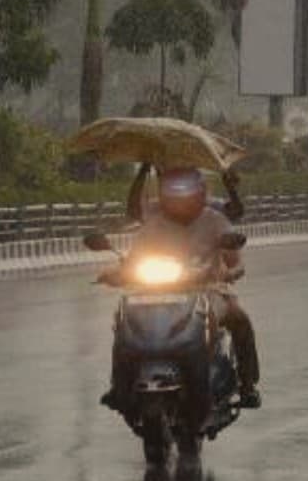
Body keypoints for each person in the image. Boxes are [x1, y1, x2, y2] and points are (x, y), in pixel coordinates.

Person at [102, 166, 262, 410]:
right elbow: (134, 256)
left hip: (208, 288)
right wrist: (117, 273)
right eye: (172, 191)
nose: (179, 198)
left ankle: (248, 384)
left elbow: (236, 260)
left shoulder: (215, 218)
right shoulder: (153, 220)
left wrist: (230, 272)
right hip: (155, 292)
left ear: (200, 193)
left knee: (240, 319)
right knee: (123, 321)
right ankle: (119, 385)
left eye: (186, 190)